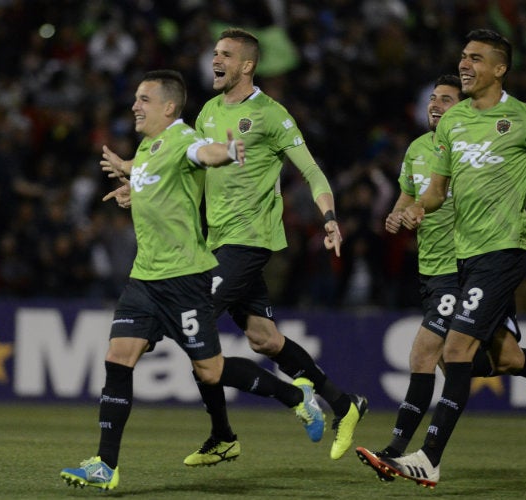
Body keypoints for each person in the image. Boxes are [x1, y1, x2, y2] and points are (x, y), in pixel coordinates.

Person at [368, 29, 526, 488]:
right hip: (464, 257)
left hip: (504, 251)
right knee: (505, 358)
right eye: (463, 56)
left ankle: (429, 457)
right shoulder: (452, 122)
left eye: (476, 59)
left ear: (499, 69)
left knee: (455, 349)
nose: (465, 64)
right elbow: (438, 192)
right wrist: (414, 210)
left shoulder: (525, 119)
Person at [60, 70, 325, 491]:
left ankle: (297, 397)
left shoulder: (183, 139)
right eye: (134, 98)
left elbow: (205, 154)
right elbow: (156, 177)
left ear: (168, 107)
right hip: (144, 279)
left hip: (185, 281)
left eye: (144, 99)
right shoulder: (148, 147)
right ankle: (104, 465)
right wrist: (132, 183)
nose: (134, 106)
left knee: (211, 371)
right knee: (117, 359)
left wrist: (229, 150)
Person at [182, 27, 367, 465]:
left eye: (225, 53)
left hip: (248, 241)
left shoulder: (272, 115)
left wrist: (329, 218)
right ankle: (344, 404)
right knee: (265, 340)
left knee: (193, 325)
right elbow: (189, 168)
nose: (215, 59)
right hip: (216, 241)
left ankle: (235, 429)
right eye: (214, 52)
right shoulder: (207, 111)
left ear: (247, 65)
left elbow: (313, 172)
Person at [354, 74, 526, 482]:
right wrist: (399, 212)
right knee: (495, 359)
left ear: (460, 106)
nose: (436, 105)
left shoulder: (472, 148)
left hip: (458, 269)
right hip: (429, 269)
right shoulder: (417, 150)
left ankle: (400, 453)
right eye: (433, 99)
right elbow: (410, 195)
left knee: (426, 355)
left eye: (446, 99)